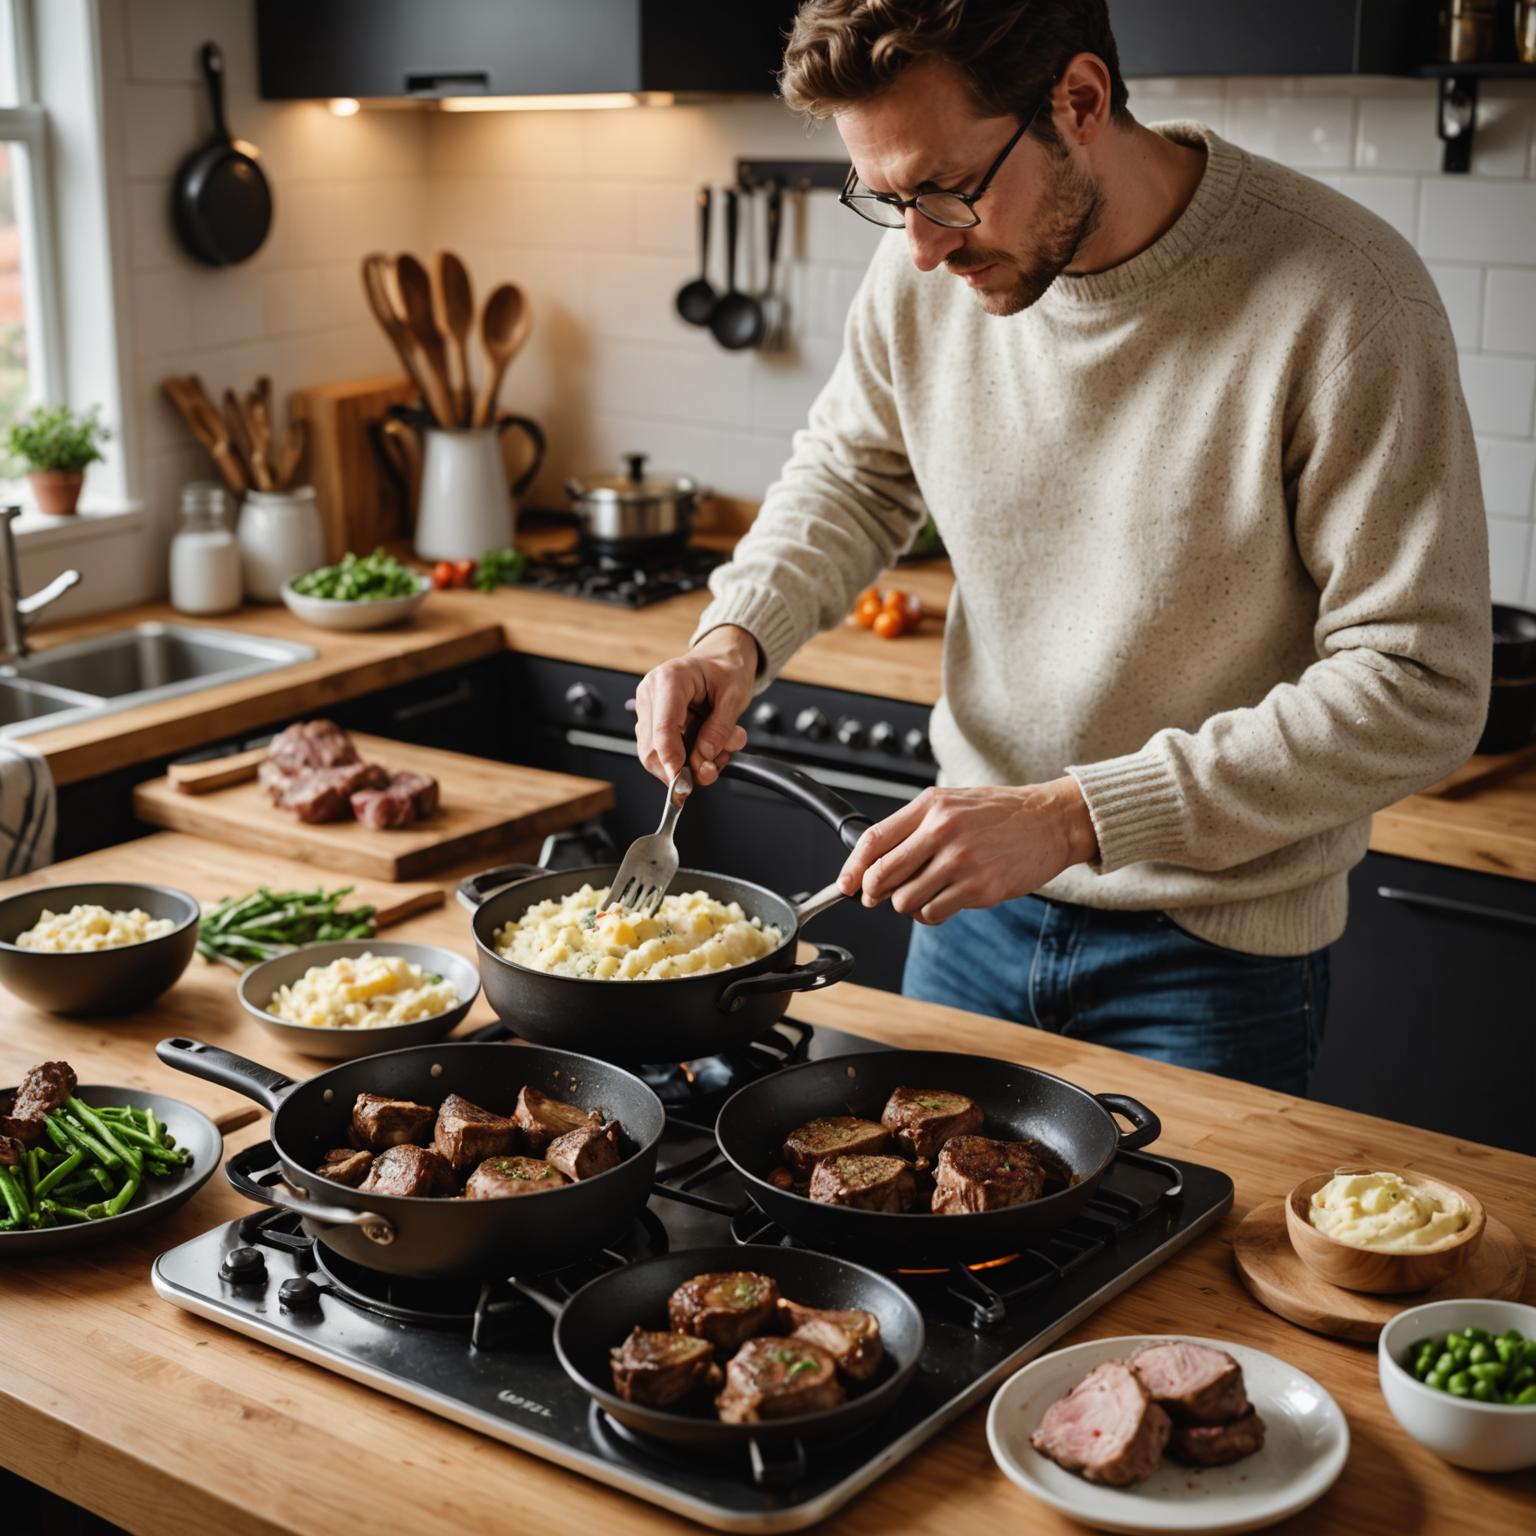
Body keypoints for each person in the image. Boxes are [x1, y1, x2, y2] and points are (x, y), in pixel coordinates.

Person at [631, 0, 1490, 1093]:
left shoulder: (1345, 297)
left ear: (1079, 101)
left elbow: (1420, 685)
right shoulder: (926, 259)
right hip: (968, 916)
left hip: (1214, 950)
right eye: (887, 201)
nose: (924, 248)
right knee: (928, 1257)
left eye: (946, 190)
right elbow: (853, 475)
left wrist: (1074, 815)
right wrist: (731, 641)